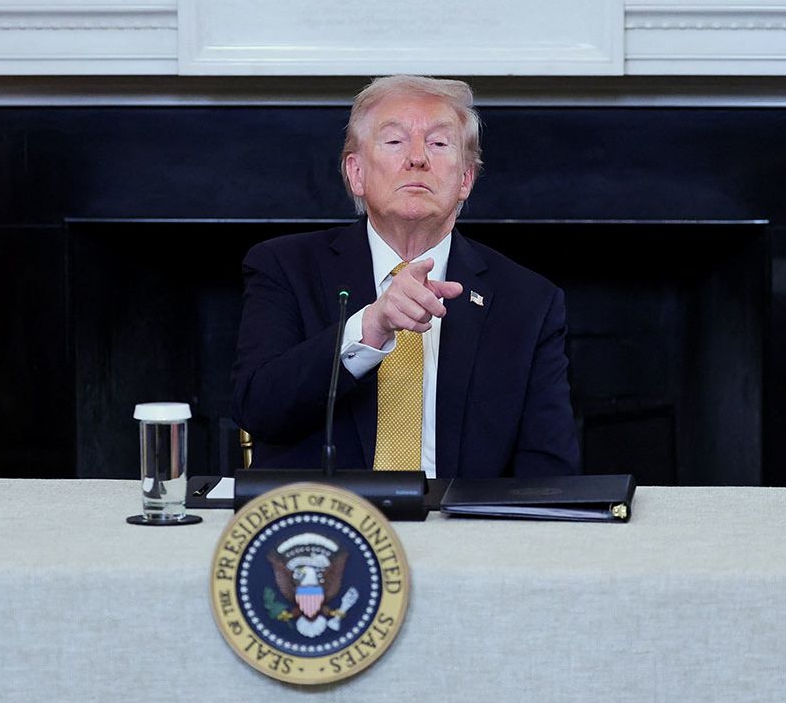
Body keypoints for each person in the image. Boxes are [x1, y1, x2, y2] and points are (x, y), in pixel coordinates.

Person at [232, 75, 578, 478]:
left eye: (438, 143)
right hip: (328, 524)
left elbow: (549, 474)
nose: (417, 158)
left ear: (465, 179)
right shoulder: (285, 267)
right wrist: (368, 327)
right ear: (356, 173)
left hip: (465, 531)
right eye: (395, 141)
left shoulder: (529, 301)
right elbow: (257, 408)